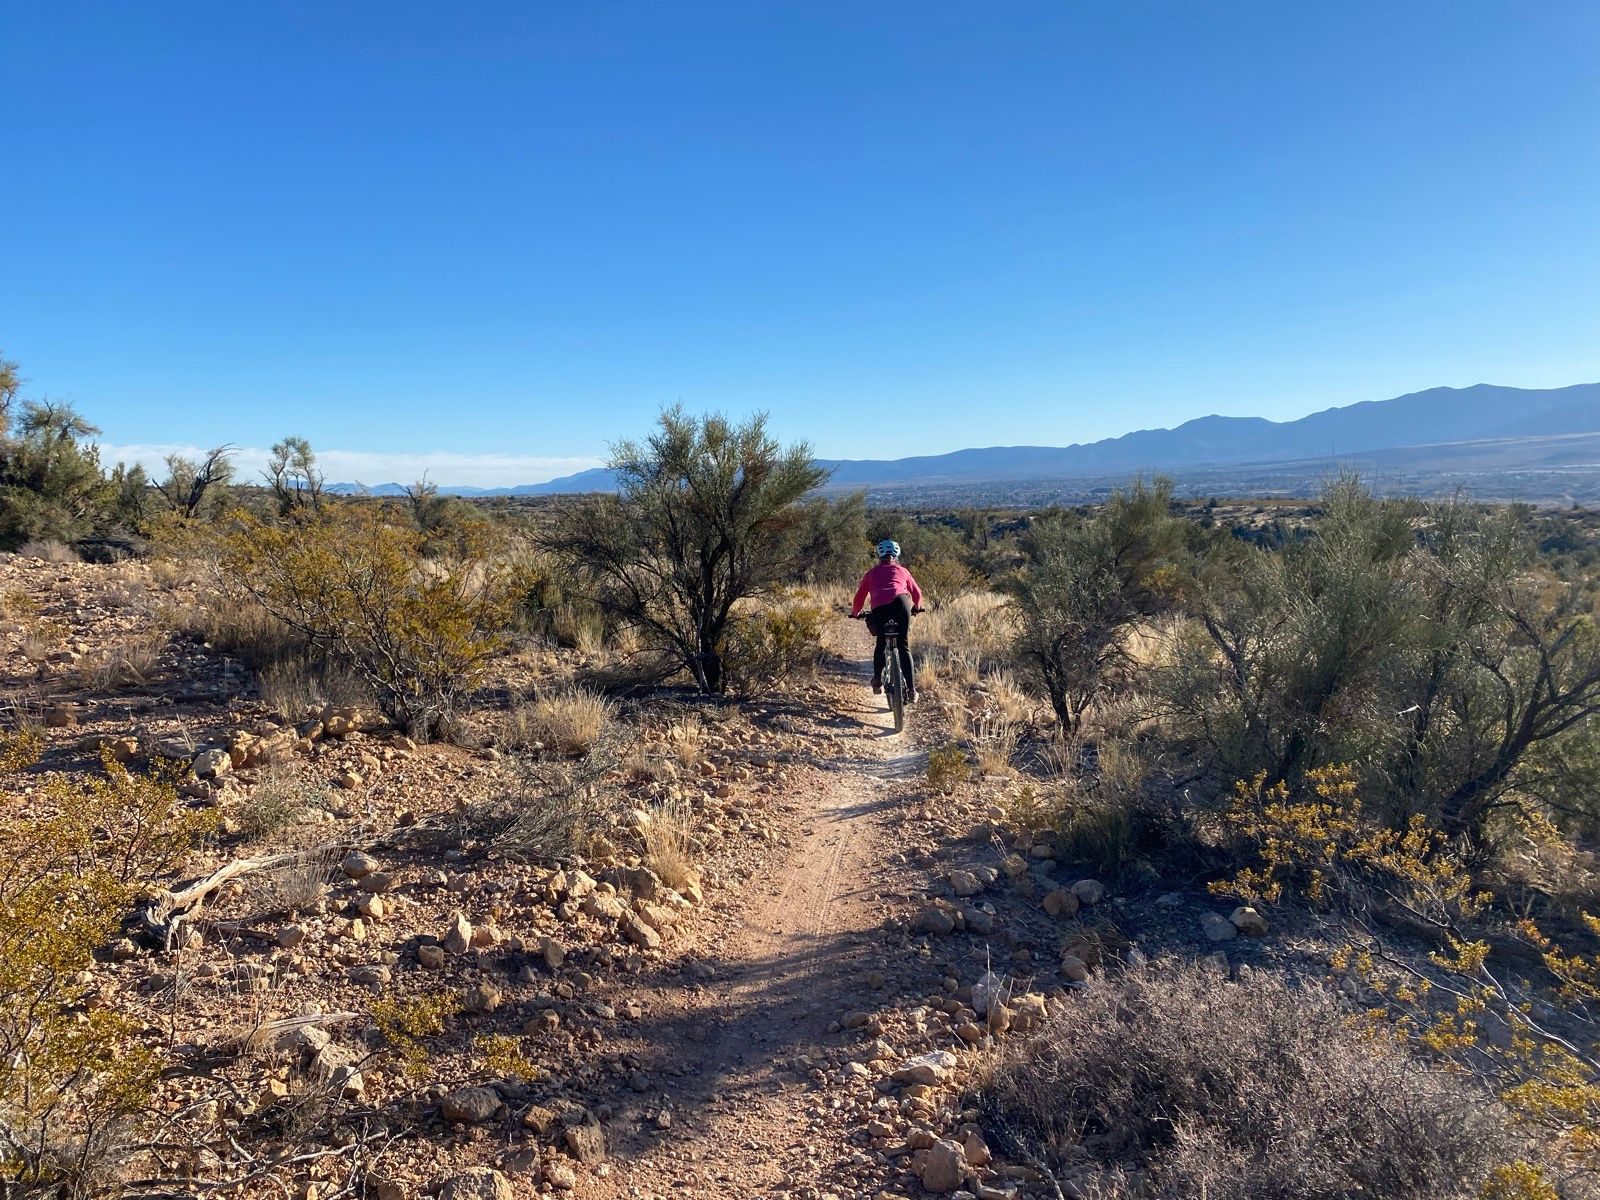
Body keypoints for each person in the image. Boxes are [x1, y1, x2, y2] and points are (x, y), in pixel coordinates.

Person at [851, 538, 924, 701]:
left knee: (881, 643)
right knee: (903, 646)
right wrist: (917, 607)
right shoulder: (903, 571)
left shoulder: (871, 573)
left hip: (880, 607)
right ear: (896, 556)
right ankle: (911, 690)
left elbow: (859, 597)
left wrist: (855, 613)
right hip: (901, 603)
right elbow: (917, 594)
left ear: (879, 556)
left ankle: (877, 681)